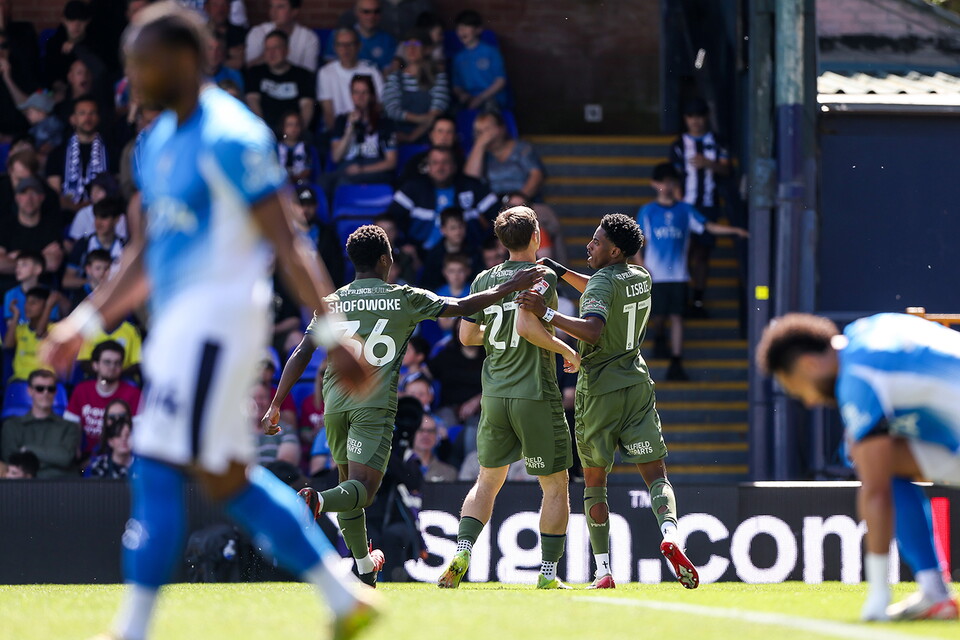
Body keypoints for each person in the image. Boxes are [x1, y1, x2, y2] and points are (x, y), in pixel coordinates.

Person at [42, 5, 378, 640]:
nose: (134, 75)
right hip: (178, 329)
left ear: (188, 60)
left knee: (156, 464)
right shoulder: (155, 143)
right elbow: (144, 254)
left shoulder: (233, 135)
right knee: (228, 476)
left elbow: (290, 243)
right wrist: (85, 323)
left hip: (218, 325)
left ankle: (132, 629)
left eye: (146, 61)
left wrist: (336, 335)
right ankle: (343, 596)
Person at [266, 223, 545, 587]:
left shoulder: (331, 302)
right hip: (373, 407)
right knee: (362, 489)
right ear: (385, 260)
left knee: (349, 488)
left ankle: (364, 568)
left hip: (334, 407)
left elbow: (302, 352)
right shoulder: (403, 297)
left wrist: (275, 404)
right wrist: (510, 286)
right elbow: (462, 305)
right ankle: (315, 500)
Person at [517, 213, 700, 591]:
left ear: (614, 250)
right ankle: (671, 535)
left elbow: (594, 329)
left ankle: (603, 571)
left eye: (597, 241)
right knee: (656, 475)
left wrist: (546, 312)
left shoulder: (603, 281)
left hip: (598, 390)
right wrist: (561, 270)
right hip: (636, 384)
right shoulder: (640, 276)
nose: (590, 245)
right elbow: (600, 290)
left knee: (595, 482)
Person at [756, 312, 960, 621]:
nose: (809, 401)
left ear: (809, 365)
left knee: (873, 463)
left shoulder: (857, 378)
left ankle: (927, 590)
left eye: (797, 388)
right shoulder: (868, 329)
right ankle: (933, 594)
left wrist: (878, 594)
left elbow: (876, 491)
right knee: (867, 451)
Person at [438, 206, 580, 590]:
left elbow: (466, 337)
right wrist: (566, 349)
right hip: (534, 393)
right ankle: (548, 575)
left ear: (501, 242)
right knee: (554, 484)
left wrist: (500, 337)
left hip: (495, 394)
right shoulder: (542, 274)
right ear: (536, 236)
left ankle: (463, 550)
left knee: (487, 482)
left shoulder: (485, 277)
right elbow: (528, 326)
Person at [637, 163, 748, 381]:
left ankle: (676, 361)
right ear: (654, 184)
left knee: (677, 316)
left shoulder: (685, 210)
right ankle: (659, 336)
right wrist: (642, 266)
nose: (667, 186)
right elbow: (639, 242)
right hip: (655, 275)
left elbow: (707, 226)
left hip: (679, 274)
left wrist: (735, 230)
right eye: (663, 182)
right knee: (658, 315)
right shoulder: (648, 211)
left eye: (671, 182)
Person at [464, 111, 566, 263]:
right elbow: (470, 178)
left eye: (488, 129)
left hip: (526, 202)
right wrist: (480, 144)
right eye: (480, 131)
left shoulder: (522, 148)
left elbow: (537, 175)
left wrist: (520, 199)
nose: (485, 134)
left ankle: (555, 273)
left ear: (501, 128)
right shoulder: (482, 155)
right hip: (495, 207)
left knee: (549, 225)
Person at [670, 98, 731, 317]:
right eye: (690, 117)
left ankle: (697, 299)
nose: (695, 121)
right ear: (685, 119)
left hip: (708, 206)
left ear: (706, 118)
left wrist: (708, 164)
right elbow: (673, 178)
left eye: (699, 116)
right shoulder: (679, 145)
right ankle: (683, 298)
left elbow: (727, 169)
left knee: (703, 254)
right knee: (684, 252)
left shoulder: (717, 141)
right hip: (685, 207)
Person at [386, 146, 498, 250]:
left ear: (454, 166)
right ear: (428, 167)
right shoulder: (412, 188)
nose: (440, 167)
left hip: (468, 251)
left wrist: (487, 242)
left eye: (445, 162)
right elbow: (391, 219)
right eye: (435, 163)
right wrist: (405, 244)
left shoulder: (471, 186)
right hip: (422, 253)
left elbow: (498, 215)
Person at [65, 340, 141, 457]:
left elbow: (138, 434)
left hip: (120, 457)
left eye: (117, 363)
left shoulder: (134, 393)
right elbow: (71, 427)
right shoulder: (81, 390)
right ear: (95, 365)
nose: (112, 367)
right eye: (107, 362)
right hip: (87, 457)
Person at [1, 369, 80, 478]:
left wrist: (27, 449)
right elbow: (12, 461)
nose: (45, 393)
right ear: (30, 391)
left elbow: (65, 459)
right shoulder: (12, 426)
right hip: (25, 488)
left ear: (56, 392)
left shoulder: (69, 426)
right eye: (40, 389)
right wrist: (53, 459)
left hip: (61, 486)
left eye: (50, 389)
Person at [382, 30, 448, 144]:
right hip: (399, 137)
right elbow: (391, 109)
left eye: (417, 44)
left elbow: (437, 110)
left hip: (428, 136)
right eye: (408, 44)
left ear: (427, 49)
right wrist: (419, 119)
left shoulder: (438, 77)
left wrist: (412, 137)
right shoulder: (395, 77)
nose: (411, 48)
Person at [45, 95, 110, 212]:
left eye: (92, 113)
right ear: (73, 119)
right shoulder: (57, 154)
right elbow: (54, 194)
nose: (88, 118)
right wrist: (76, 208)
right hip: (67, 217)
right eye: (82, 113)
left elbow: (115, 188)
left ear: (98, 118)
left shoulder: (111, 151)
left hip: (104, 213)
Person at [329, 74, 397, 186]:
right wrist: (349, 129)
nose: (360, 97)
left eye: (364, 92)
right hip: (348, 167)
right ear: (351, 95)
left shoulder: (385, 122)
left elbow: (391, 162)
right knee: (326, 181)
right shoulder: (341, 120)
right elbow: (336, 157)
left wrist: (362, 169)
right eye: (356, 92)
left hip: (373, 169)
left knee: (344, 183)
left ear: (371, 95)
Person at [244, 29, 314, 137]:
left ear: (287, 50)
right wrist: (262, 131)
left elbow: (307, 106)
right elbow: (252, 102)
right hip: (263, 132)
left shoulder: (302, 75)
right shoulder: (255, 73)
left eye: (276, 48)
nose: (271, 53)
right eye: (267, 49)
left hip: (293, 134)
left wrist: (297, 133)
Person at [317, 27, 384, 132]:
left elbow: (378, 106)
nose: (345, 49)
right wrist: (339, 137)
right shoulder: (325, 73)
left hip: (367, 131)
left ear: (359, 46)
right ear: (335, 48)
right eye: (341, 45)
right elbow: (328, 112)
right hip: (338, 131)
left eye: (350, 44)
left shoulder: (372, 72)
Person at [63, 196, 125, 290]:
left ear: (116, 220)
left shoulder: (125, 246)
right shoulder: (83, 244)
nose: (98, 223)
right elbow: (66, 280)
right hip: (87, 299)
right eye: (96, 217)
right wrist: (90, 283)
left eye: (104, 218)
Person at [4, 286, 62, 381]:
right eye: (27, 302)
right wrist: (15, 316)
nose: (28, 306)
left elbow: (39, 333)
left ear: (45, 305)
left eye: (33, 303)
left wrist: (48, 307)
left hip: (44, 382)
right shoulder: (20, 328)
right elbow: (7, 345)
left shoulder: (54, 329)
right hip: (20, 380)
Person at [451, 10, 506, 111]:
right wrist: (462, 95)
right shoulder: (458, 57)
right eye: (459, 28)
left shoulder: (491, 52)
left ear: (478, 30)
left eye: (466, 27)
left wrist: (480, 98)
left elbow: (500, 81)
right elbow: (456, 86)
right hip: (470, 98)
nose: (461, 31)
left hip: (490, 97)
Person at [244, 0, 318, 73]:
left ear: (294, 11)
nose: (273, 12)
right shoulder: (258, 32)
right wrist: (269, 55)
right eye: (271, 6)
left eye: (280, 7)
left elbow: (308, 74)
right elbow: (249, 68)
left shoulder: (308, 38)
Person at [327, 0, 396, 72]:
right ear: (356, 12)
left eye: (376, 11)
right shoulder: (339, 36)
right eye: (366, 12)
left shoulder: (389, 40)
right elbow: (330, 68)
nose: (371, 16)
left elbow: (387, 73)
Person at [420, 207, 479, 290]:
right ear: (443, 230)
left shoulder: (475, 251)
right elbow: (427, 285)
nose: (458, 232)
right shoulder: (434, 255)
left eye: (460, 226)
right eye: (453, 228)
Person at [397, 115, 462, 184]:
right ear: (431, 135)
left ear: (454, 136)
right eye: (440, 131)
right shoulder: (416, 160)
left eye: (449, 132)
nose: (444, 136)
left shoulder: (461, 162)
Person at [85, 400, 135, 478]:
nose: (117, 420)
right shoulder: (97, 461)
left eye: (122, 416)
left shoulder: (142, 459)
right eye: (112, 417)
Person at [408, 413, 456, 482]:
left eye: (431, 431)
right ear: (412, 433)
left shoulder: (449, 472)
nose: (426, 435)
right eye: (421, 430)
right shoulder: (400, 467)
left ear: (436, 435)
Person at [18, 91, 64, 156]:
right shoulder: (36, 128)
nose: (27, 115)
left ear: (41, 113)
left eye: (29, 112)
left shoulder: (50, 125)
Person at [205, 0, 246, 70]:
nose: (220, 10)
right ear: (206, 8)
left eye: (224, 5)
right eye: (215, 5)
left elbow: (242, 62)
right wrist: (228, 53)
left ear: (229, 7)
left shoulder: (242, 34)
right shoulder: (199, 34)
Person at [277, 111, 315, 183]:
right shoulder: (276, 148)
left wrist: (295, 179)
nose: (293, 128)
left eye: (297, 125)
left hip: (300, 182)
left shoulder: (305, 147)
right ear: (283, 127)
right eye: (289, 125)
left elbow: (308, 169)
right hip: (280, 184)